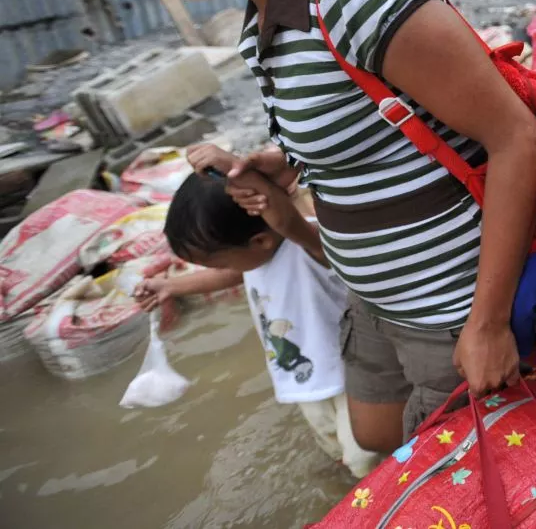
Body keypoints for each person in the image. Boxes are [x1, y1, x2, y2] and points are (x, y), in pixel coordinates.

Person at [28, 0, 536, 453]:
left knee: (453, 472)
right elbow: (370, 123)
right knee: (373, 443)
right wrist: (294, 160)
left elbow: (517, 135)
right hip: (373, 299)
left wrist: (488, 325)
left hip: (448, 308)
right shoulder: (263, 18)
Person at [135, 150, 380, 478]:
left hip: (352, 377)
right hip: (303, 379)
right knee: (335, 450)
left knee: (365, 459)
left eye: (220, 260)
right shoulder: (255, 258)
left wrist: (254, 183)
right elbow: (234, 273)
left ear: (261, 239)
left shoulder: (311, 244)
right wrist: (171, 287)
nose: (222, 270)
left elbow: (285, 229)